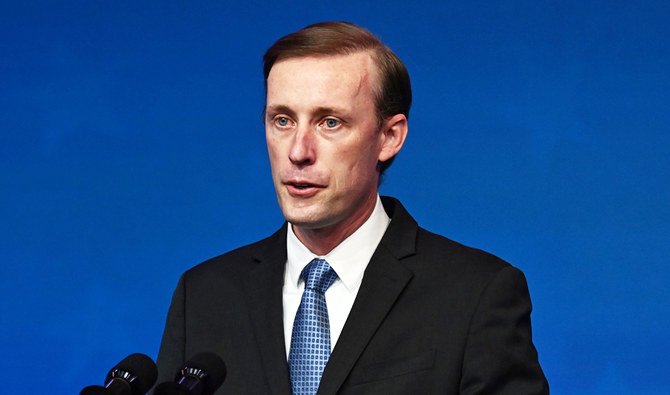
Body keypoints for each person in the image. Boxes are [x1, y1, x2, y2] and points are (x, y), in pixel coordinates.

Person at [156, 21, 549, 394]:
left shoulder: (475, 294)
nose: (298, 152)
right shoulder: (205, 295)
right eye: (282, 120)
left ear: (389, 137)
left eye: (329, 123)